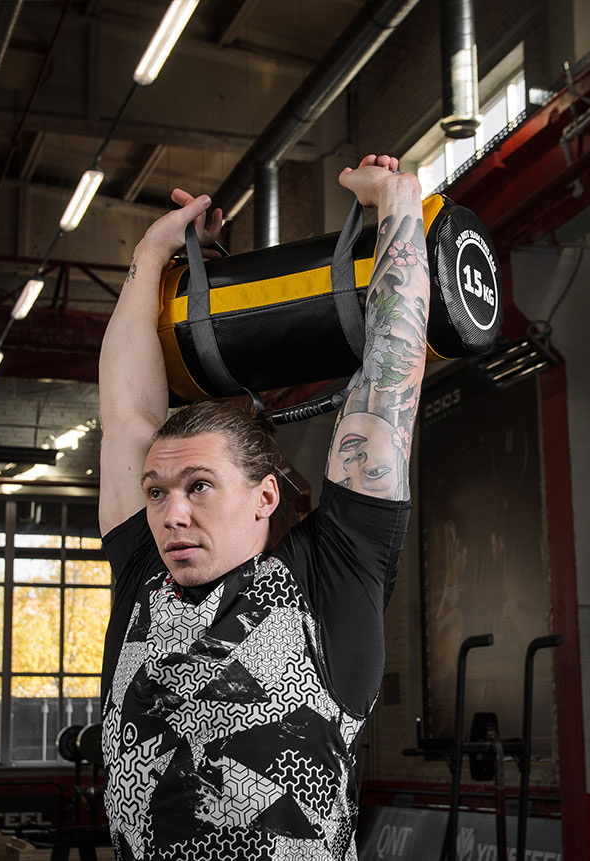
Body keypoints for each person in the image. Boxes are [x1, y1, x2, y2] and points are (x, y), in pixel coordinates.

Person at [97, 154, 429, 860]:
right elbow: (126, 414)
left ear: (266, 495)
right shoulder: (143, 579)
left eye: (199, 486)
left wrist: (397, 204)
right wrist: (153, 253)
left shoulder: (331, 579)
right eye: (156, 491)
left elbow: (389, 379)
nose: (171, 513)